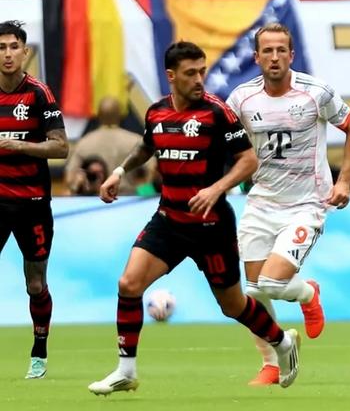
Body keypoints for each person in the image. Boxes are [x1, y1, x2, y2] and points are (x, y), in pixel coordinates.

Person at [87, 41, 300, 396]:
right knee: (128, 284)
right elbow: (146, 145)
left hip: (211, 226)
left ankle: (281, 342)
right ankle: (126, 371)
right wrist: (119, 171)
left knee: (232, 305)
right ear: (171, 76)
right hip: (169, 220)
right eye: (190, 73)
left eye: (202, 71)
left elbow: (248, 161)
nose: (200, 79)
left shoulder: (216, 112)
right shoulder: (156, 113)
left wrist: (216, 189)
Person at [226, 23, 350, 386]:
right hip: (261, 201)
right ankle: (271, 362)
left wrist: (345, 180)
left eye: (280, 50)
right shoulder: (241, 99)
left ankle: (307, 292)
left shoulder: (315, 94)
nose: (274, 57)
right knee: (252, 291)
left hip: (306, 203)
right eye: (267, 51)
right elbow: (227, 144)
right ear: (256, 57)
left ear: (292, 54)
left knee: (271, 282)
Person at [0, 20, 69, 380]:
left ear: (25, 52)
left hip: (32, 203)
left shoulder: (39, 94)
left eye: (13, 47)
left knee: (35, 284)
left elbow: (61, 147)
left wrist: (20, 145)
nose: (7, 53)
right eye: (1, 47)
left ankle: (39, 351)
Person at [64, 96, 147, 195]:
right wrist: (142, 193)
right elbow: (151, 172)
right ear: (120, 114)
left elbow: (70, 178)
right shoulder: (135, 141)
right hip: (129, 198)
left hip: (96, 199)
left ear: (98, 114)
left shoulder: (84, 142)